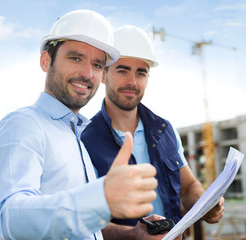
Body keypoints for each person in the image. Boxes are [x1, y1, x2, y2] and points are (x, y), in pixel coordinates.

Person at [0, 11, 162, 240]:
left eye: (97, 65)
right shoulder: (23, 125)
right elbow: (10, 219)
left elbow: (81, 229)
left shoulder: (76, 135)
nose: (88, 74)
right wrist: (101, 197)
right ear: (46, 60)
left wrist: (134, 234)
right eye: (75, 58)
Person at [81, 25, 225, 238]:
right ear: (103, 74)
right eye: (123, 70)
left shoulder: (164, 130)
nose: (132, 81)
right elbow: (85, 221)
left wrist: (205, 204)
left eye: (141, 73)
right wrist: (134, 235)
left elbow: (187, 188)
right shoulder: (85, 140)